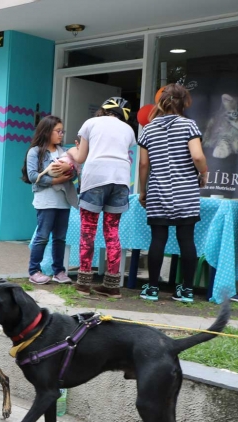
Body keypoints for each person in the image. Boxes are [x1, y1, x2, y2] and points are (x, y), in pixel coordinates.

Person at [138, 84, 208, 303]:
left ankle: (152, 289)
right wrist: (204, 173)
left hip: (158, 191)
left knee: (158, 239)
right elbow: (197, 156)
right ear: (185, 102)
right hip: (185, 191)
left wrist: (143, 191)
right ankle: (187, 290)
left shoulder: (148, 129)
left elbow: (143, 164)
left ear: (161, 102)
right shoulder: (189, 125)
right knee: (186, 239)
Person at [71, 97, 136, 298]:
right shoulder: (129, 130)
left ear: (104, 109)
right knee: (112, 232)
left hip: (96, 178)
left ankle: (83, 284)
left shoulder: (91, 123)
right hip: (121, 179)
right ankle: (112, 286)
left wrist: (72, 151)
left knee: (88, 231)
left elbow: (81, 158)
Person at [24, 116, 78, 285]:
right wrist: (55, 180)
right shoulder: (35, 151)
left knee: (60, 237)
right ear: (47, 131)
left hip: (63, 199)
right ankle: (34, 271)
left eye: (63, 131)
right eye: (58, 131)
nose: (61, 134)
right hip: (45, 199)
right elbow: (33, 176)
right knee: (42, 236)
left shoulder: (65, 152)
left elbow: (75, 173)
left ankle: (59, 271)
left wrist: (69, 170)